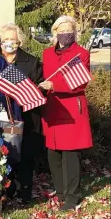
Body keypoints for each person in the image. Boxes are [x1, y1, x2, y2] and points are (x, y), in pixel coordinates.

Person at [38, 16, 92, 211]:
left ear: (74, 32)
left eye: (69, 30)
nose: (65, 33)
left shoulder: (81, 53)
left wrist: (55, 85)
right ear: (55, 32)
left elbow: (81, 81)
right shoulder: (47, 54)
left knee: (70, 155)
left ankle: (71, 197)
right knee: (53, 154)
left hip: (71, 110)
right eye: (61, 30)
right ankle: (60, 191)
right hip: (53, 109)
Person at [0, 23, 44, 203]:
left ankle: (25, 195)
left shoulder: (30, 62)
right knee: (1, 155)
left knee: (23, 158)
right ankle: (4, 193)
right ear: (0, 42)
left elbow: (39, 86)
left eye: (13, 39)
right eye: (5, 39)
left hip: (25, 118)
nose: (9, 43)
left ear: (19, 42)